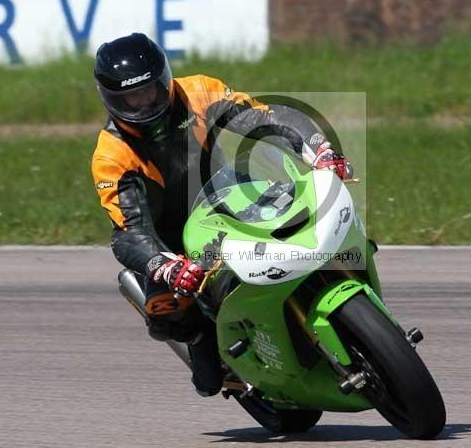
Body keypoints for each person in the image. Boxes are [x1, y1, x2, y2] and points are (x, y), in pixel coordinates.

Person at [90, 33, 353, 396]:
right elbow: (129, 229)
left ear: (164, 79)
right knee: (167, 314)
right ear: (111, 100)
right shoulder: (111, 155)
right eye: (130, 98)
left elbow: (264, 117)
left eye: (149, 91)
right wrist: (163, 264)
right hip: (170, 239)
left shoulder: (199, 91)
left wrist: (319, 151)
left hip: (228, 195)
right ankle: (203, 340)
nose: (143, 103)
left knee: (308, 215)